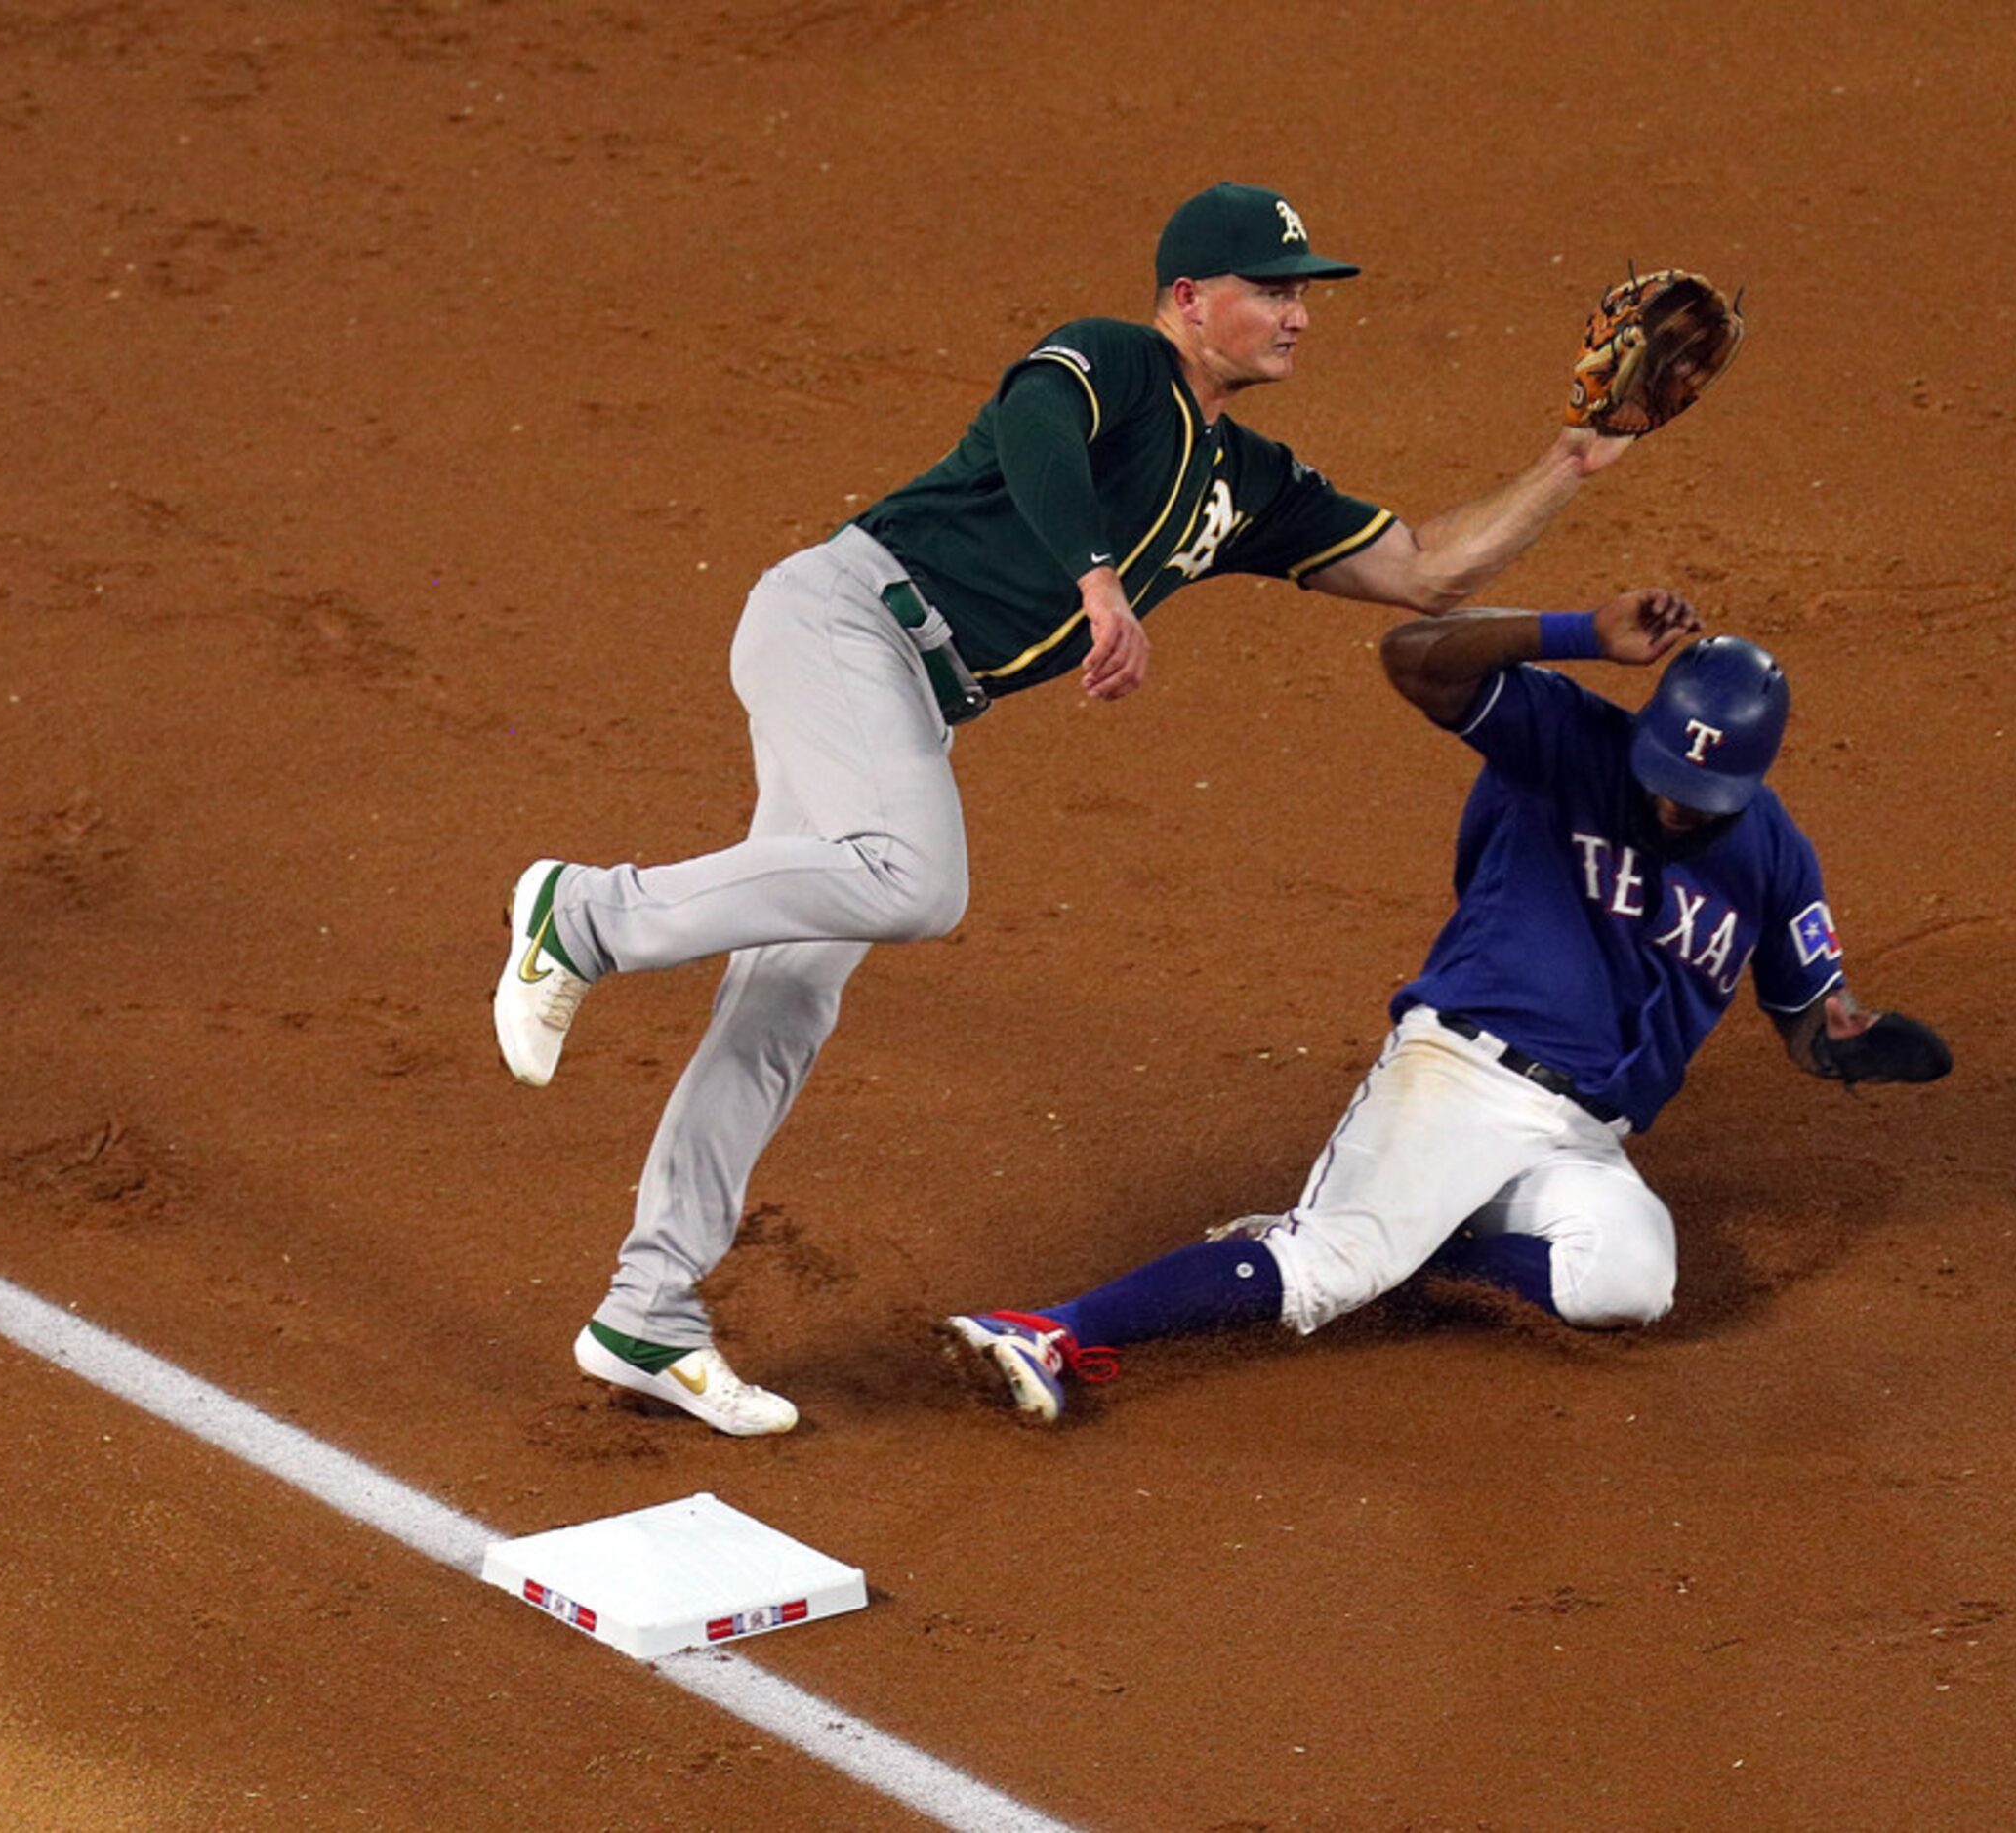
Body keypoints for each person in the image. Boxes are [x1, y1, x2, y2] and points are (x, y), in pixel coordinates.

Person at [494, 183, 1680, 1435]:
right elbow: (1035, 430)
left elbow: (1427, 570)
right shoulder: (1119, 362)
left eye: (1304, 294)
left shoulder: (1250, 480)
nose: (1297, 315)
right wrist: (1098, 580)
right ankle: (585, 911)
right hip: (845, 620)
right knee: (912, 878)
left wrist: (1572, 466)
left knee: (787, 996)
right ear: (1187, 299)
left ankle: (649, 1309)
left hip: (901, 685)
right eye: (1270, 290)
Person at [942, 598, 1954, 1422]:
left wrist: (1856, 1048)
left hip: (1583, 1137)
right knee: (1331, 1266)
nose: (1673, 804)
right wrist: (1575, 632)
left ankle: (1415, 1249)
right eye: (1664, 775)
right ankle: (1054, 1326)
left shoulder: (1776, 857)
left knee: (1628, 1282)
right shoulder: (1566, 739)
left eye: (1702, 793)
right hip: (1462, 1072)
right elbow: (1415, 657)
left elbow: (1816, 1020)